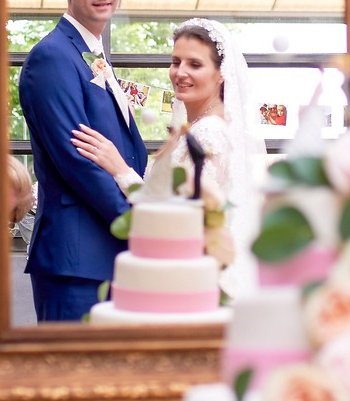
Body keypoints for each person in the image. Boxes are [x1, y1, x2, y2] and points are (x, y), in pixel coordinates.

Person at [71, 18, 266, 297]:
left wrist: (120, 169)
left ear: (221, 73)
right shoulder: (194, 129)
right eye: (176, 62)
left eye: (195, 64)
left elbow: (181, 218)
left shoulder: (210, 134)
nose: (180, 73)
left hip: (195, 280)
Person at [18, 0, 148, 321]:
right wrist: (139, 224)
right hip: (76, 262)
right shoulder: (53, 57)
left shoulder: (91, 54)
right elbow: (79, 162)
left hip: (106, 258)